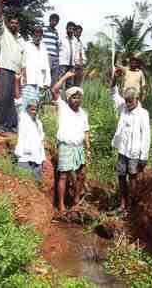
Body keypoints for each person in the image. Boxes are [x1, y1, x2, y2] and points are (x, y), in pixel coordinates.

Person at [109, 68, 151, 216]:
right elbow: (113, 92)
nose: (128, 104)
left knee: (133, 178)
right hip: (123, 150)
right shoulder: (123, 108)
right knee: (121, 176)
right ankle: (122, 204)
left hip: (134, 152)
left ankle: (130, 208)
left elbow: (146, 136)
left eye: (130, 101)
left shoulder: (143, 114)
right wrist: (114, 77)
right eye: (126, 101)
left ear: (137, 100)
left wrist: (143, 157)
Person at [52, 71, 91, 213]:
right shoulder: (63, 107)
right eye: (74, 97)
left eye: (79, 97)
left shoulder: (83, 113)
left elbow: (86, 132)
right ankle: (61, 206)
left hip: (79, 147)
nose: (77, 100)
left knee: (81, 175)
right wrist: (66, 77)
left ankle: (75, 200)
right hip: (66, 146)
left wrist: (88, 149)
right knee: (63, 175)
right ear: (68, 99)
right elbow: (55, 90)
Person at [0, 0, 26, 135]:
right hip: (5, 69)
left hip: (18, 73)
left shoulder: (22, 40)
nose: (13, 25)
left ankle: (11, 126)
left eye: (16, 23)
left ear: (19, 25)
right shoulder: (3, 32)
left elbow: (25, 58)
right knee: (4, 97)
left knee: (15, 100)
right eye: (11, 22)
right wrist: (1, 0)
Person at [13, 75, 46, 183]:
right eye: (31, 108)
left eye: (35, 108)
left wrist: (43, 160)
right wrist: (17, 81)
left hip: (37, 161)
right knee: (23, 186)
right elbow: (18, 100)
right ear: (27, 108)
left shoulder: (39, 123)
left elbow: (41, 142)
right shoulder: (23, 117)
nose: (34, 110)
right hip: (25, 159)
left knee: (36, 188)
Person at [20, 26, 51, 111]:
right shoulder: (27, 45)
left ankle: (34, 123)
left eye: (40, 34)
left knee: (36, 106)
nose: (38, 36)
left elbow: (46, 65)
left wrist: (47, 82)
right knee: (25, 105)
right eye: (36, 34)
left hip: (40, 81)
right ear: (32, 35)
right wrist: (24, 77)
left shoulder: (44, 47)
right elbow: (23, 63)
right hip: (29, 80)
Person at [42, 13, 60, 94]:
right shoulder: (44, 29)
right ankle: (42, 95)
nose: (54, 22)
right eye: (53, 20)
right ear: (50, 20)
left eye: (56, 21)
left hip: (55, 56)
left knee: (54, 77)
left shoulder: (56, 32)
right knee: (46, 76)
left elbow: (56, 44)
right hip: (47, 55)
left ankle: (51, 96)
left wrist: (57, 55)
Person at [58, 22, 78, 89]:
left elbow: (76, 52)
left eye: (73, 29)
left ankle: (67, 99)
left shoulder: (75, 40)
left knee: (70, 84)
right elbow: (57, 48)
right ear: (66, 28)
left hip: (72, 65)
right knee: (60, 82)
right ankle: (58, 99)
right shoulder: (61, 37)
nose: (71, 30)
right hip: (62, 63)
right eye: (70, 28)